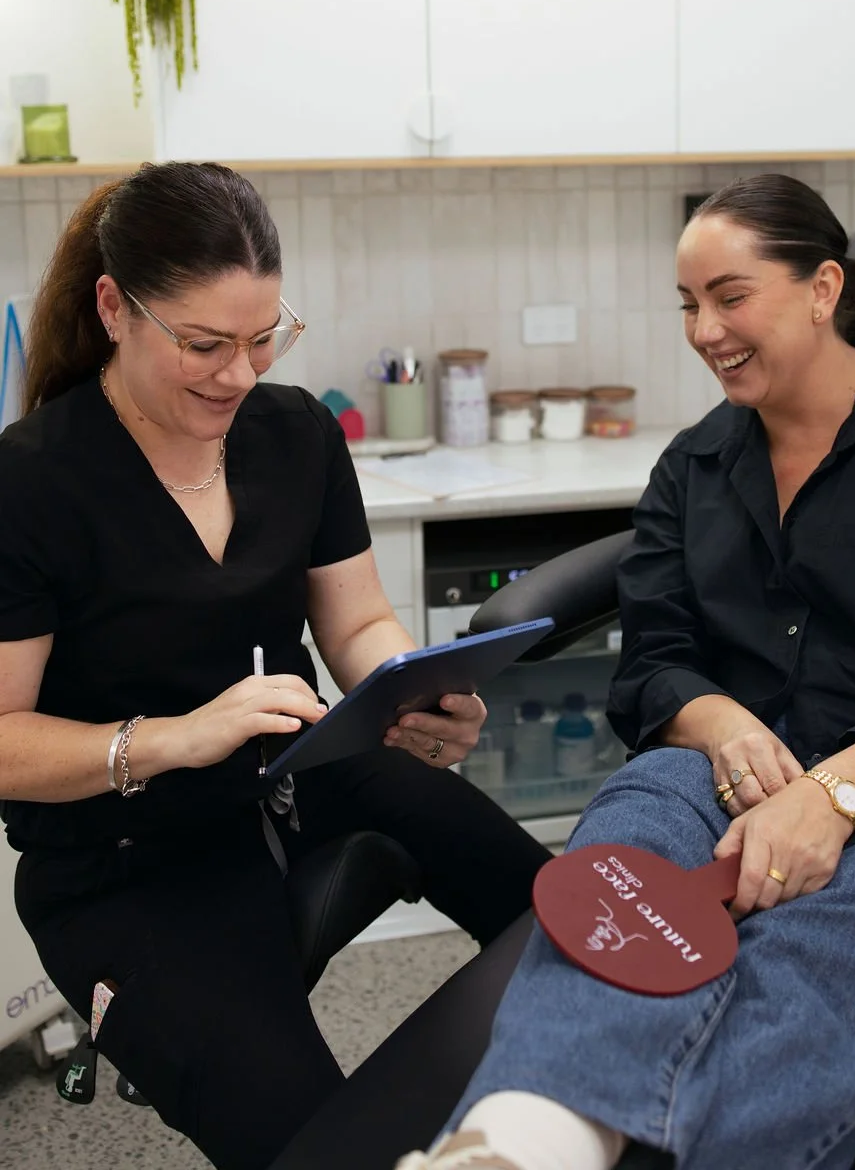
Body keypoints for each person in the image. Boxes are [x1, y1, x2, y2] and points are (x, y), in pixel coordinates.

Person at [397, 173, 855, 1170]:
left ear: (822, 290)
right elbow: (654, 662)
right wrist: (719, 722)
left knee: (806, 972)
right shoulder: (692, 466)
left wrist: (832, 795)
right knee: (614, 892)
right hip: (721, 772)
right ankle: (518, 1142)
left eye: (730, 297)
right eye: (688, 304)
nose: (703, 330)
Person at [0, 162, 549, 1170]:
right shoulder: (31, 484)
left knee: (561, 920)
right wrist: (169, 740)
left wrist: (414, 686)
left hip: (304, 772)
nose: (238, 375)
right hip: (125, 861)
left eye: (263, 339)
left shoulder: (294, 434)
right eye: (204, 345)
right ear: (114, 310)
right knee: (319, 1148)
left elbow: (358, 620)